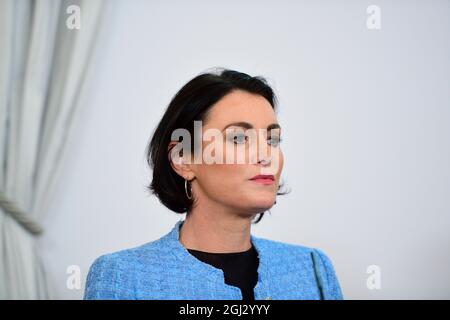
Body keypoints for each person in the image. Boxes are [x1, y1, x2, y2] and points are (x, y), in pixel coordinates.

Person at [84, 68, 344, 300]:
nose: (266, 154)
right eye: (239, 138)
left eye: (272, 140)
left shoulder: (312, 268)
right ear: (183, 158)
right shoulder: (123, 278)